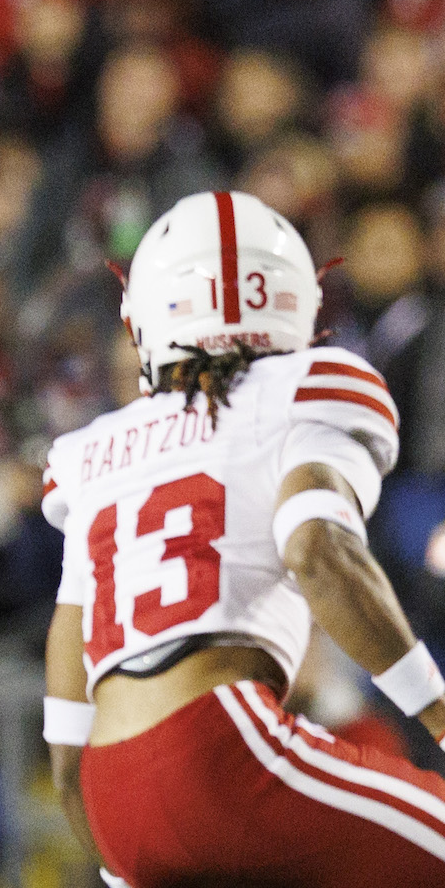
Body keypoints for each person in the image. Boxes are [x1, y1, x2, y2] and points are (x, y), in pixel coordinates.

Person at [41, 190, 445, 887]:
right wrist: (439, 712)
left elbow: (67, 685)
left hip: (111, 792)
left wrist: (116, 851)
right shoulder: (304, 386)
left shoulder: (94, 451)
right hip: (221, 747)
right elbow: (316, 550)